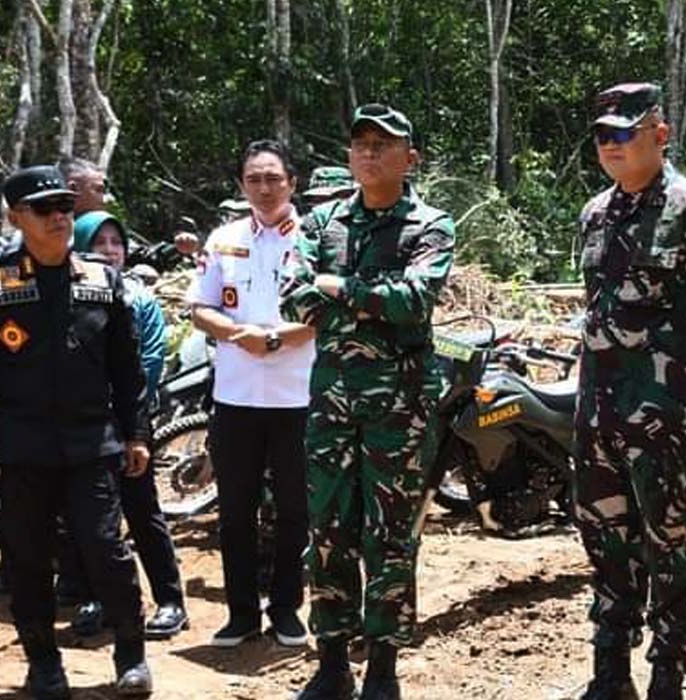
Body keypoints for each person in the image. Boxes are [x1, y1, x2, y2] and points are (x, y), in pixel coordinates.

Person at [571, 82, 686, 700]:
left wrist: (678, 369)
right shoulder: (596, 213)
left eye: (624, 132)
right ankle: (610, 669)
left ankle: (668, 674)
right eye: (602, 135)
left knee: (669, 542)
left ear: (660, 132)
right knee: (604, 539)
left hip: (661, 417)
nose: (611, 145)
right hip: (596, 412)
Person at [0, 165, 153, 697]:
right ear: (17, 217)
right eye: (45, 209)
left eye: (66, 206)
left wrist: (137, 434)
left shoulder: (101, 280)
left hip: (93, 444)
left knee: (105, 550)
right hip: (24, 449)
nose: (61, 217)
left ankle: (131, 653)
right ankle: (44, 663)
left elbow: (126, 369)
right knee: (28, 558)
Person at [281, 103, 454, 700]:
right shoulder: (321, 222)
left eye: (385, 144)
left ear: (411, 158)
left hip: (398, 410)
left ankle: (383, 666)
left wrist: (338, 289)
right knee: (328, 529)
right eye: (360, 143)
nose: (370, 154)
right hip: (331, 403)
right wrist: (364, 298)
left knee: (390, 535)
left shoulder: (430, 226)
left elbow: (416, 299)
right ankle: (331, 661)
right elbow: (291, 297)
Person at [185, 140, 316, 649]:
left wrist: (278, 339)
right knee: (234, 509)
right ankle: (240, 613)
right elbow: (200, 307)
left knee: (293, 509)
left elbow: (323, 314)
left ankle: (286, 608)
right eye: (254, 179)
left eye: (273, 178)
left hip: (296, 396)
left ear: (292, 183)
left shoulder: (314, 239)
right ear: (242, 185)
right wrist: (240, 335)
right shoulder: (222, 239)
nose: (263, 188)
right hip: (235, 396)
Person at [55, 211, 188, 640]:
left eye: (117, 242)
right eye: (100, 243)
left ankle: (170, 600)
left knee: (142, 509)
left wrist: (128, 418)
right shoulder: (63, 295)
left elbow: (148, 362)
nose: (110, 251)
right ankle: (97, 597)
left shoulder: (139, 299)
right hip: (80, 426)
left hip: (127, 422)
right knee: (87, 518)